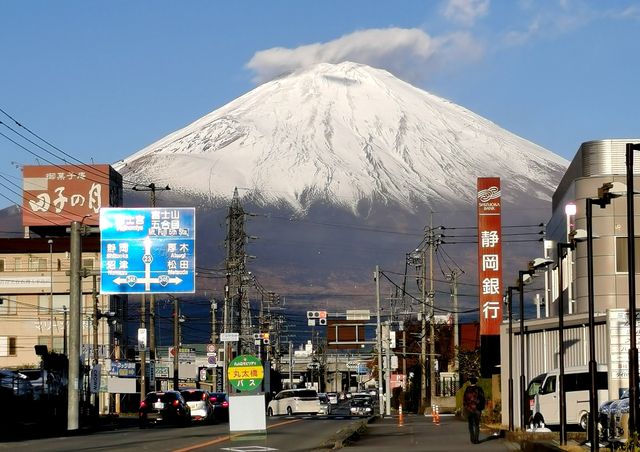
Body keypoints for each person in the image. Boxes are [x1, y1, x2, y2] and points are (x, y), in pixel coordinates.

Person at [463, 376, 485, 444]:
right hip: (477, 409)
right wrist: (482, 407)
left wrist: (465, 407)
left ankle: (472, 439)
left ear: (470, 382)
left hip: (469, 409)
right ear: (476, 382)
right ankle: (476, 439)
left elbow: (464, 399)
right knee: (476, 425)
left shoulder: (467, 389)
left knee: (470, 425)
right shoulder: (479, 389)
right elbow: (483, 399)